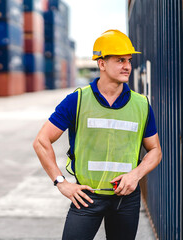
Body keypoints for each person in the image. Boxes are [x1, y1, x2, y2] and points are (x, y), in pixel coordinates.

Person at [33, 29, 162, 240]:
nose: (127, 66)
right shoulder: (78, 100)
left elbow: (155, 150)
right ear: (101, 63)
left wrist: (135, 175)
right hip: (86, 197)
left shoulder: (141, 105)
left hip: (126, 199)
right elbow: (41, 141)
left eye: (129, 60)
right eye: (120, 60)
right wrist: (61, 182)